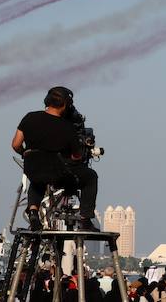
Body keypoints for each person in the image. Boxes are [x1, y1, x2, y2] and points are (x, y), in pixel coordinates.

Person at [12, 86, 99, 231]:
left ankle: (33, 210)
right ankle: (85, 219)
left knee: (38, 180)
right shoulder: (68, 127)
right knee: (90, 177)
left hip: (33, 169)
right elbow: (76, 156)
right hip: (58, 174)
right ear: (66, 104)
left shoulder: (29, 117)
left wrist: (25, 153)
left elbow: (15, 144)